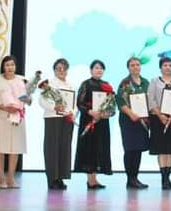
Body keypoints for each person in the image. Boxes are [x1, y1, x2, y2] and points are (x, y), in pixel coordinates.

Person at [0, 55, 29, 189]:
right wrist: (5, 108)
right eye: (7, 65)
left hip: (17, 118)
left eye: (12, 65)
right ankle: (2, 178)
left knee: (15, 148)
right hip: (2, 117)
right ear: (3, 67)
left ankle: (11, 178)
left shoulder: (22, 80)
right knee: (1, 148)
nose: (10, 67)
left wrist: (28, 99)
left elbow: (27, 99)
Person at [74, 59, 114, 189]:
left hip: (102, 122)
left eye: (101, 68)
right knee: (89, 149)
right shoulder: (86, 84)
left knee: (99, 148)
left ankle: (95, 179)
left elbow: (111, 104)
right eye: (96, 68)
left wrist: (108, 113)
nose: (99, 70)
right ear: (91, 70)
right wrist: (90, 111)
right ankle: (90, 180)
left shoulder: (107, 85)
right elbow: (79, 103)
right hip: (89, 121)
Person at [148, 57, 171, 189]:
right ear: (160, 67)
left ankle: (168, 178)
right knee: (161, 149)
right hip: (158, 119)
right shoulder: (154, 81)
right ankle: (163, 179)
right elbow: (151, 100)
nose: (168, 67)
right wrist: (160, 115)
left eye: (170, 65)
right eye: (165, 65)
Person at [39, 58, 75, 190]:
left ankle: (60, 178)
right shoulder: (49, 84)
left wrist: (72, 113)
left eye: (64, 68)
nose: (61, 71)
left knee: (64, 148)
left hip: (67, 119)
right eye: (58, 68)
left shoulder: (70, 85)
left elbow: (74, 103)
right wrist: (54, 107)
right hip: (53, 118)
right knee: (52, 148)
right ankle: (52, 179)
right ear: (54, 70)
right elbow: (42, 101)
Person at [116, 57, 150, 189]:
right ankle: (130, 179)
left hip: (142, 121)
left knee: (138, 149)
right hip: (128, 120)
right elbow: (120, 101)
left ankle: (135, 177)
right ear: (128, 68)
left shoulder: (146, 82)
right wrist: (131, 114)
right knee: (130, 149)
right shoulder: (125, 83)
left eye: (137, 65)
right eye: (132, 65)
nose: (135, 67)